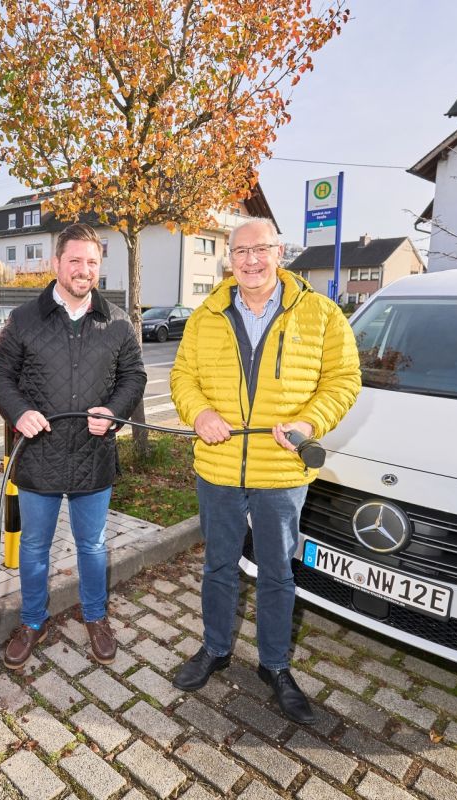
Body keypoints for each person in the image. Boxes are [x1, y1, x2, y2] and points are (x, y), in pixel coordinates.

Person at [169, 218, 361, 723]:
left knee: (277, 573)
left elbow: (344, 380)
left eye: (261, 250)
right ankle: (215, 649)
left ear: (279, 253)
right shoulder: (205, 314)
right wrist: (200, 414)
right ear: (228, 259)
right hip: (218, 469)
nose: (251, 260)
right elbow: (182, 376)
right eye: (240, 251)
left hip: (282, 471)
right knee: (217, 566)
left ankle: (275, 666)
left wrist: (308, 420)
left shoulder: (320, 314)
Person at [0, 222, 146, 669]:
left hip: (94, 459)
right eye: (75, 260)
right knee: (34, 547)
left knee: (92, 546)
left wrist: (115, 411)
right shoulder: (24, 319)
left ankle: (95, 616)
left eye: (92, 262)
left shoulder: (115, 322)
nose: (83, 270)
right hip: (39, 457)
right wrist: (18, 412)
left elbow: (135, 376)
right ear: (56, 263)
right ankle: (32, 620)